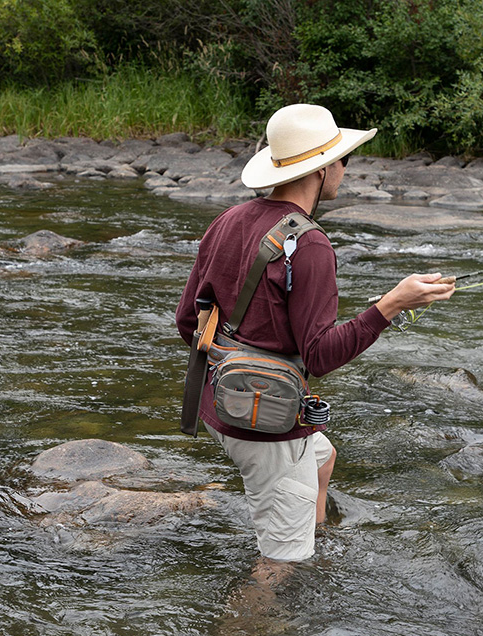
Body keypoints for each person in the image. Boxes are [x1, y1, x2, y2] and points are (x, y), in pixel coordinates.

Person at [175, 103, 454, 566]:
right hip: (265, 428)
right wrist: (391, 305)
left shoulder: (228, 220)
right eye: (345, 159)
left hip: (217, 406)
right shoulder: (310, 245)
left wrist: (234, 366)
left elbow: (189, 320)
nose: (346, 168)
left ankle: (315, 545)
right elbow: (321, 358)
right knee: (280, 567)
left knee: (324, 457)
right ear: (323, 168)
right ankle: (244, 629)